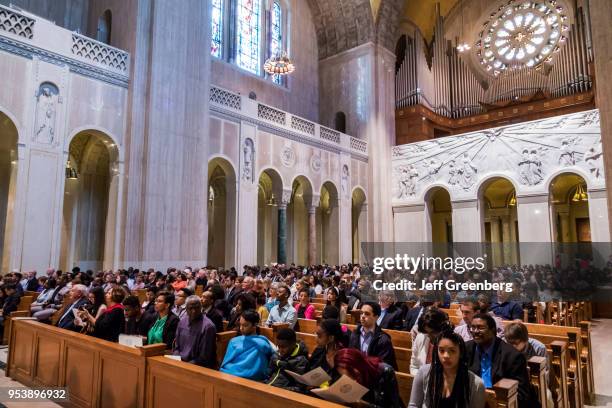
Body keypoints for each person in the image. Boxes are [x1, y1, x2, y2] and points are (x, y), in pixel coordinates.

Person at [466, 314, 538, 408]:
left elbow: (521, 394)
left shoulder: (512, 356)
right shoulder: (466, 349)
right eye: (473, 327)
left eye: (480, 328)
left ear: (492, 330)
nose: (475, 331)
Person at [409, 329, 485, 408]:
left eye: (452, 351)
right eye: (441, 350)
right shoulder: (424, 372)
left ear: (461, 353)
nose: (446, 356)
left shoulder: (476, 384)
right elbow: (413, 405)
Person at [333, 348, 404, 408]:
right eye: (346, 377)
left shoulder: (384, 372)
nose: (353, 381)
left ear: (359, 366)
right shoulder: (340, 373)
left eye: (353, 375)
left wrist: (365, 405)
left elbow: (393, 406)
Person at [220, 310, 274, 380]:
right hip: (232, 376)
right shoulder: (234, 341)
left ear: (255, 325)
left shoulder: (263, 343)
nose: (241, 328)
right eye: (240, 324)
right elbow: (225, 364)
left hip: (254, 380)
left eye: (245, 325)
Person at [348, 301, 397, 369]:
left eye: (367, 314)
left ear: (376, 317)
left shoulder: (383, 339)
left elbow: (384, 366)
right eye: (361, 313)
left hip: (374, 376)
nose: (362, 316)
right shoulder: (355, 334)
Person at [173, 296, 217, 368]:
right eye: (190, 308)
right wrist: (176, 358)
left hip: (198, 366)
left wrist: (185, 366)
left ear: (201, 307)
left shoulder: (208, 327)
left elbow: (204, 357)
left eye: (196, 308)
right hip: (181, 362)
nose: (193, 311)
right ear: (186, 309)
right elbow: (177, 347)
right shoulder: (182, 322)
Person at [265, 327, 309, 392]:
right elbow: (268, 374)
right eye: (278, 346)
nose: (280, 350)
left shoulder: (300, 361)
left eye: (283, 347)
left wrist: (281, 390)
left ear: (293, 344)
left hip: (284, 393)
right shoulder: (276, 354)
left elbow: (300, 388)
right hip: (269, 387)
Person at [410, 308, 451, 375]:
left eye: (433, 332)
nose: (429, 336)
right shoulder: (421, 337)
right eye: (426, 332)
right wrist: (421, 378)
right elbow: (414, 366)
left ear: (442, 328)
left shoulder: (452, 343)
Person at [308, 319, 346, 383]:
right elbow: (310, 370)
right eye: (316, 334)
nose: (316, 338)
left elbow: (343, 380)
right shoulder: (319, 350)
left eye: (319, 336)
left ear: (331, 338)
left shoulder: (343, 356)